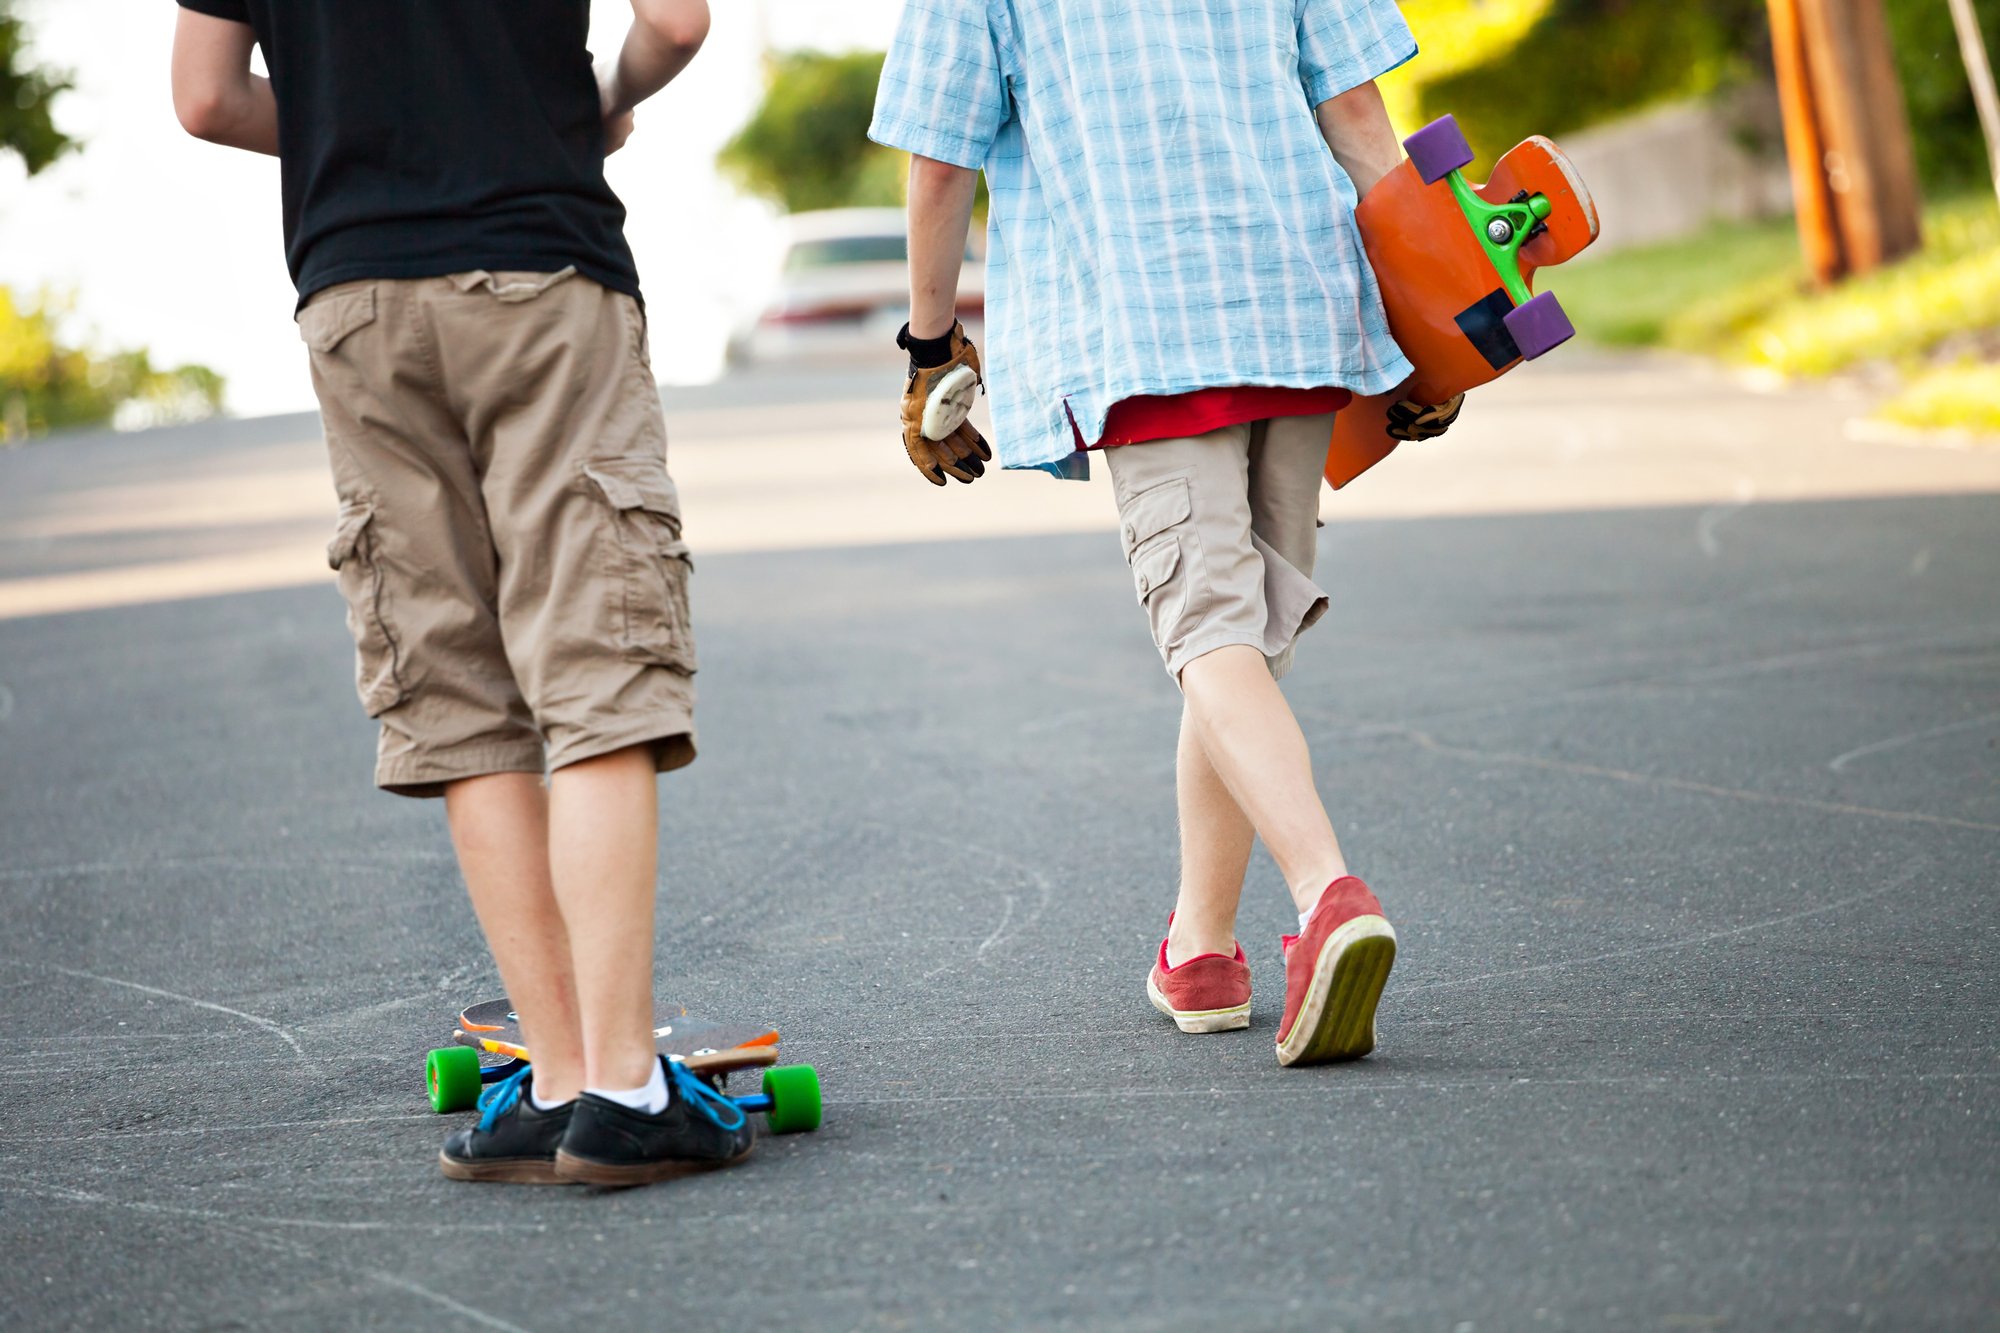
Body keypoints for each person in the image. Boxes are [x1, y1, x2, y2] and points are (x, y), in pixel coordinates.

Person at [171, 0, 755, 1183]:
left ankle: (550, 1078)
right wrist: (578, 108)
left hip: (356, 296)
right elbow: (678, 24)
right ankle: (629, 1088)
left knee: (459, 689)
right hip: (540, 270)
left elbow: (206, 98)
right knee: (596, 665)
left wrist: (366, 124)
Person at [873, 0, 1462, 1065]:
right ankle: (1200, 945)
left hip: (1142, 315)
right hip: (1299, 302)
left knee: (1209, 636)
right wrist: (1431, 308)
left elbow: (940, 155)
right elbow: (1358, 117)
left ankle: (1327, 893)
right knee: (1243, 642)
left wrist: (927, 346)